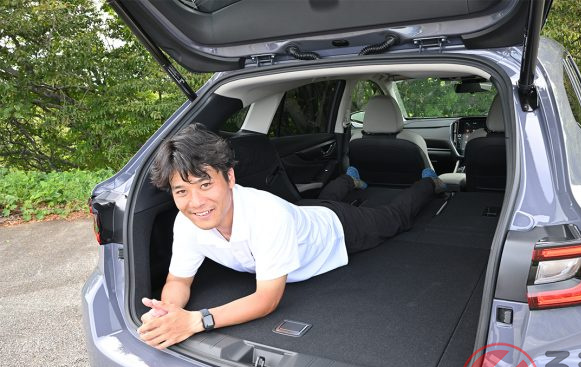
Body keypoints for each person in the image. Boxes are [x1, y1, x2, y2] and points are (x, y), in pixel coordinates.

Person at [138, 123, 446, 349]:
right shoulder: (187, 222)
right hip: (303, 214)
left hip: (336, 228)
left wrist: (195, 320)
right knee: (322, 199)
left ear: (229, 177)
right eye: (182, 191)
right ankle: (350, 179)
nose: (196, 202)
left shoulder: (268, 216)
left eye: (205, 185)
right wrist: (169, 311)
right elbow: (178, 281)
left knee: (394, 219)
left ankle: (430, 182)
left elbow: (267, 299)